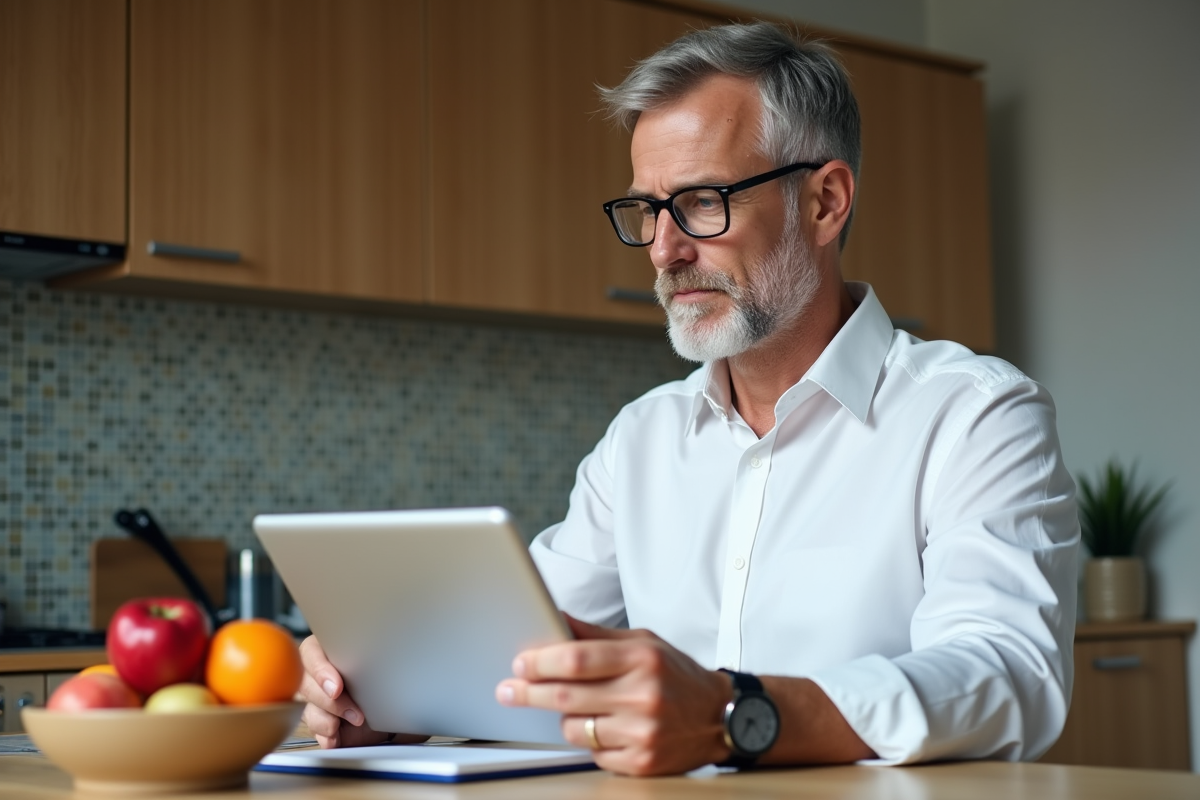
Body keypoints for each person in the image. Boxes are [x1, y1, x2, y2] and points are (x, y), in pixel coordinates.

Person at [298, 22, 1079, 777]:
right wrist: (394, 694)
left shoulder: (976, 416)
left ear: (824, 202)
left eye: (703, 201)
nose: (666, 249)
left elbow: (1006, 673)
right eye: (647, 208)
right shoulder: (639, 441)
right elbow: (523, 654)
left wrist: (733, 715)